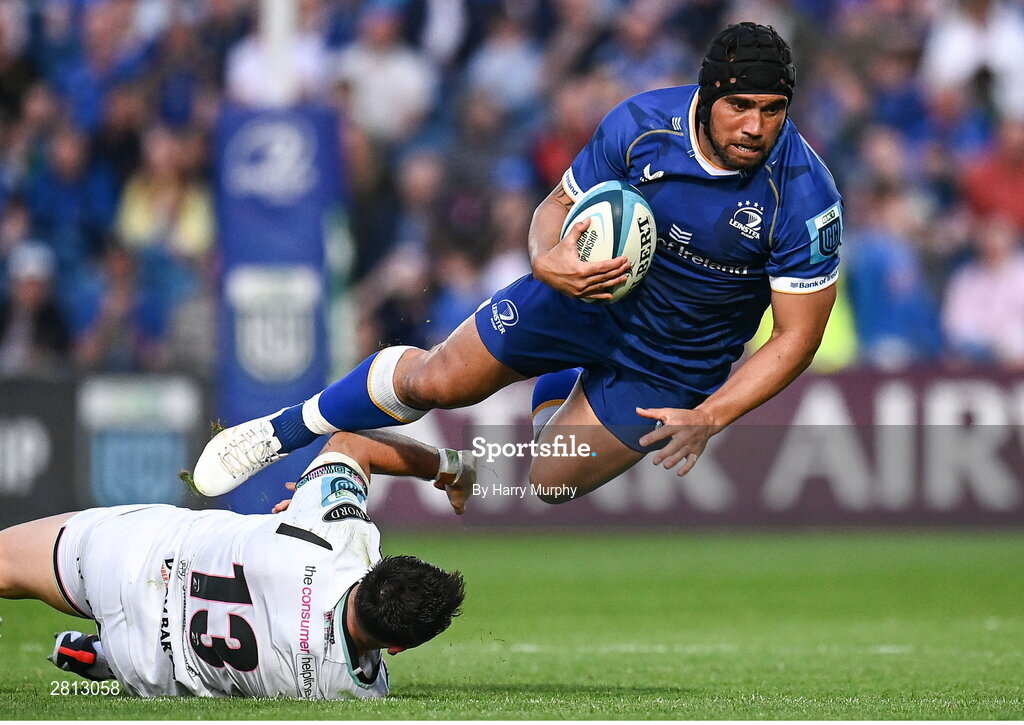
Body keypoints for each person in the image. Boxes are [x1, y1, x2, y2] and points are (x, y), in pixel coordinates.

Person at [193, 22, 842, 505]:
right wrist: (547, 259)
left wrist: (712, 413)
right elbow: (556, 206)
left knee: (550, 481)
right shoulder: (641, 125)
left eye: (772, 109)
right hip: (584, 296)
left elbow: (797, 337)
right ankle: (279, 431)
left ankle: (555, 381)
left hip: (675, 358)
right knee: (438, 381)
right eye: (741, 106)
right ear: (707, 97)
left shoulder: (804, 197)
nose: (757, 127)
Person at [0, 431, 472, 699]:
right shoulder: (346, 692)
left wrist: (448, 466)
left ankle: (99, 650)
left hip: (132, 556)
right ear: (397, 649)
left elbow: (351, 444)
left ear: (376, 570)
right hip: (152, 662)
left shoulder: (342, 535)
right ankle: (103, 657)